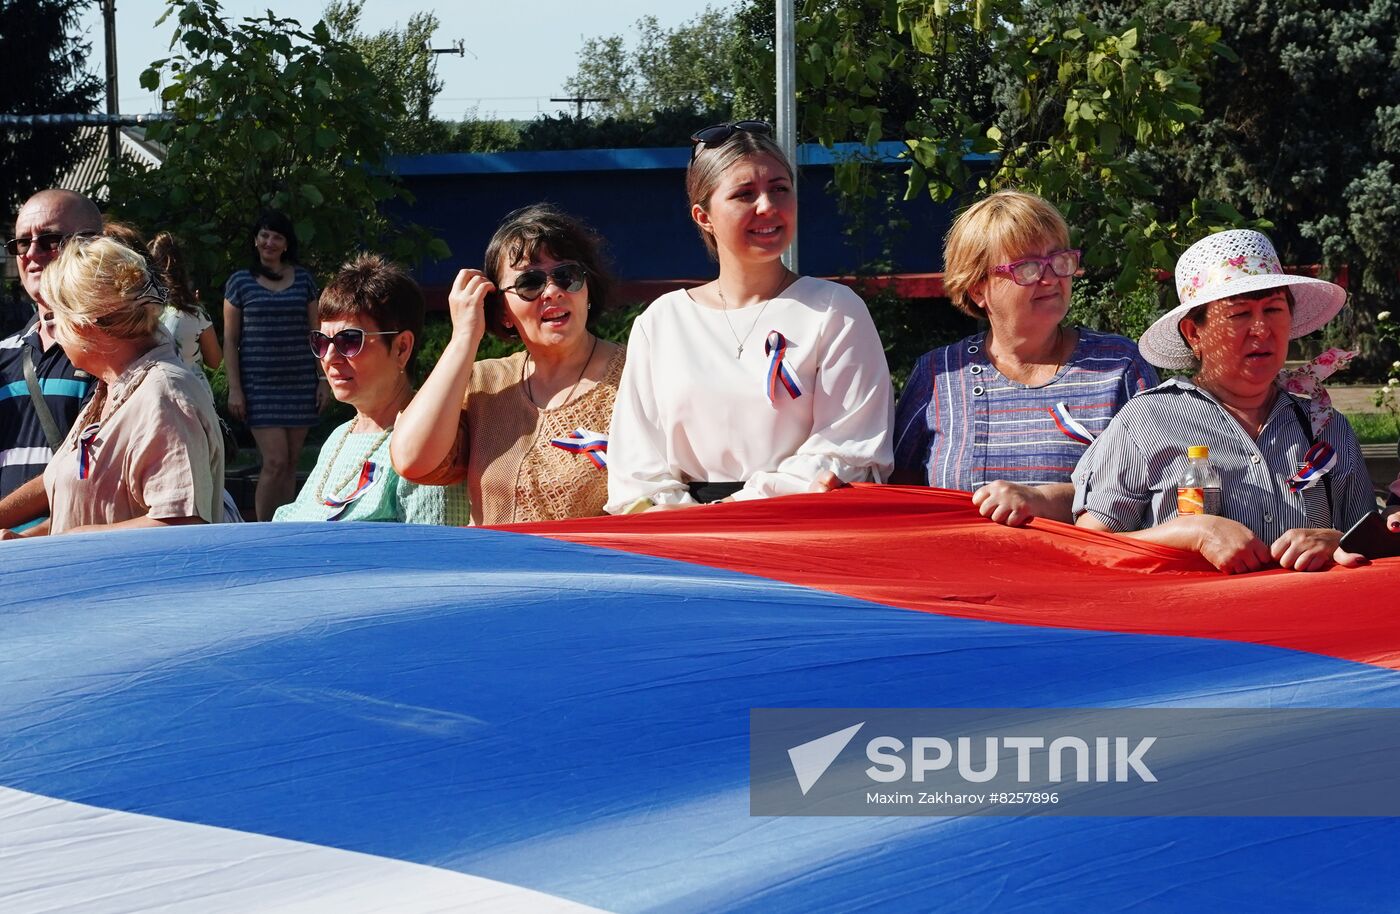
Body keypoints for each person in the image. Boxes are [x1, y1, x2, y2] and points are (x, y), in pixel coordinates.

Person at [603, 120, 893, 511]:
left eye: (780, 189)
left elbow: (849, 449)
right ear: (703, 216)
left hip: (795, 523)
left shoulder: (835, 310)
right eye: (744, 194)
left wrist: (739, 509)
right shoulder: (661, 322)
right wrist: (683, 522)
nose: (768, 206)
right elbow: (635, 466)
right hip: (679, 534)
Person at [1072, 228, 1372, 573]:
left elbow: (1370, 544)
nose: (1261, 329)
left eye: (1273, 309)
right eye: (1239, 314)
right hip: (1187, 610)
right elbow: (1091, 549)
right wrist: (1189, 533)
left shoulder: (1326, 426)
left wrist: (1337, 541)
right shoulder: (1145, 421)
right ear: (1194, 333)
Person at [892, 190, 1157, 525]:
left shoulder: (1119, 365)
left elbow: (1160, 487)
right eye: (1028, 267)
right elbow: (895, 494)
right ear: (978, 288)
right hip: (959, 557)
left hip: (1082, 560)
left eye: (1059, 260)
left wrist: (1045, 501)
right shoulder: (938, 374)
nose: (1050, 278)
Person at [391, 204, 625, 524]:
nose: (553, 291)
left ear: (587, 290)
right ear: (503, 312)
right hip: (491, 557)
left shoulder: (635, 374)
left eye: (567, 276)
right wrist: (464, 338)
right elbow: (411, 460)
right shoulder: (485, 383)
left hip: (595, 557)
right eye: (530, 283)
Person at [3, 236, 223, 537]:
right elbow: (85, 507)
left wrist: (69, 541)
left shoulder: (164, 396)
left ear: (84, 325)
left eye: (55, 318)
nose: (52, 331)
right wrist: (23, 541)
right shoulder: (114, 389)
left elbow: (181, 527)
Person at [274, 255, 469, 524]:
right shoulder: (339, 436)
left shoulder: (427, 443)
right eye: (321, 341)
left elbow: (433, 547)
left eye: (349, 340)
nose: (329, 357)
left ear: (401, 348)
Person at [0, 189, 101, 530]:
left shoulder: (116, 353)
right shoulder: (4, 355)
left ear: (92, 245)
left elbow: (92, 470)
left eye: (49, 240)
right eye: (21, 243)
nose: (31, 253)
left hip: (73, 548)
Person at [223, 211, 327, 520]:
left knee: (291, 463)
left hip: (300, 383)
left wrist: (323, 379)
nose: (270, 242)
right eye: (264, 235)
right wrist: (235, 389)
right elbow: (230, 340)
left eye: (277, 237)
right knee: (275, 461)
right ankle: (262, 529)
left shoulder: (304, 280)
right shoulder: (239, 282)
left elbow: (316, 333)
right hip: (259, 387)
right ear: (255, 240)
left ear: (286, 244)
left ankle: (285, 524)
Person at [150, 231, 222, 397]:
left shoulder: (143, 312)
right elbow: (215, 361)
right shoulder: (195, 313)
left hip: (158, 395)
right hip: (195, 396)